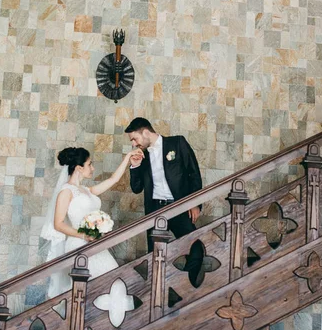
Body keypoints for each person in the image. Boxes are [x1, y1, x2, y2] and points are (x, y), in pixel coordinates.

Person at [41, 146, 143, 298]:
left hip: (94, 244)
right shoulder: (66, 192)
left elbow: (113, 179)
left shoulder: (86, 190)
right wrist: (84, 235)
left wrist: (128, 158)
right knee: (95, 288)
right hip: (79, 245)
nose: (93, 168)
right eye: (89, 164)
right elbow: (58, 223)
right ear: (79, 168)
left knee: (114, 282)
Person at [125, 117, 203, 253]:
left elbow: (194, 173)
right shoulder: (142, 156)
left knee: (196, 249)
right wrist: (134, 166)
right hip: (155, 210)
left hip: (180, 206)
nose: (133, 144)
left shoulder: (178, 143)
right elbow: (137, 188)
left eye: (134, 139)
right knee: (155, 254)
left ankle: (185, 275)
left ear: (146, 133)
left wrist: (194, 203)